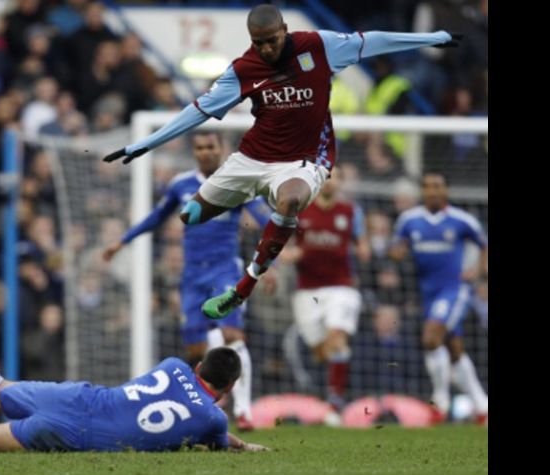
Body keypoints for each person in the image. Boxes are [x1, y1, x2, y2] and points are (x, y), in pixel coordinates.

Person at [102, 4, 461, 320]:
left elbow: (372, 41)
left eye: (272, 40)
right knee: (190, 216)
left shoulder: (317, 46)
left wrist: (432, 38)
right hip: (253, 157)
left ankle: (244, 284)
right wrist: (145, 144)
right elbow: (198, 111)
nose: (267, 48)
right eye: (259, 43)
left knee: (289, 200)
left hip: (306, 160)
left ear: (285, 31)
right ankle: (254, 212)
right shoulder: (244, 68)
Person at [0, 309, 269, 452]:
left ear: (198, 368)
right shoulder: (211, 421)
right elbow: (219, 436)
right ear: (228, 390)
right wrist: (243, 442)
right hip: (77, 431)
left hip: (79, 396)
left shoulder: (174, 364)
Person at [103, 131, 272, 431]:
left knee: (233, 334)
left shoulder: (237, 182)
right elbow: (157, 216)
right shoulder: (181, 184)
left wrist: (273, 260)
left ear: (222, 149)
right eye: (200, 147)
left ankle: (244, 411)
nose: (205, 152)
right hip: (192, 275)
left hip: (225, 270)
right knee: (196, 351)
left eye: (211, 146)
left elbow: (264, 220)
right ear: (194, 151)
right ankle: (206, 406)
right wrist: (123, 241)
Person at [389, 172, 488, 424]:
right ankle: (481, 405)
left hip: (454, 290)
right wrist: (396, 252)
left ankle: (440, 401)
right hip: (428, 293)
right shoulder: (409, 220)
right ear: (422, 191)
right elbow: (397, 248)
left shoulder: (461, 220)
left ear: (446, 190)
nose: (432, 191)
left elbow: (484, 244)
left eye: (437, 186)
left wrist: (478, 271)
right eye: (427, 186)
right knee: (454, 349)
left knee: (431, 338)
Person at [285, 166, 370, 412]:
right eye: (325, 178)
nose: (329, 182)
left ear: (341, 182)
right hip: (307, 291)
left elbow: (363, 245)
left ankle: (335, 400)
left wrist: (364, 251)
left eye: (335, 177)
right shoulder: (300, 210)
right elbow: (283, 246)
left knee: (336, 338)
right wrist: (292, 255)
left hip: (341, 287)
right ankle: (330, 387)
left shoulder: (351, 212)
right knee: (321, 350)